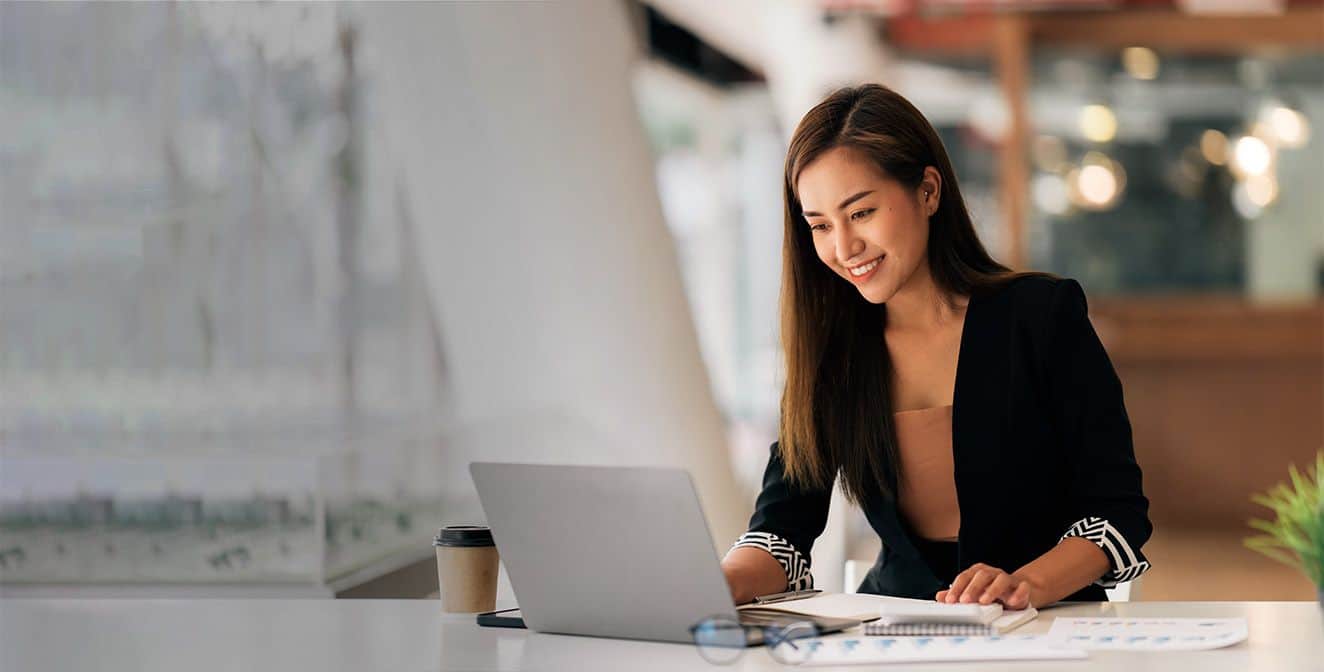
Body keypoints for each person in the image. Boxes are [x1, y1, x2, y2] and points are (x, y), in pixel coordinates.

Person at [720, 84, 1151, 610]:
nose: (843, 247)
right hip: (895, 632)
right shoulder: (833, 354)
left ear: (927, 191)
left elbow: (1116, 512)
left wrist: (1028, 584)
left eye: (860, 213)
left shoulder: (1040, 317)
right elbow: (781, 533)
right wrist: (714, 584)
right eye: (820, 226)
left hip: (1044, 628)